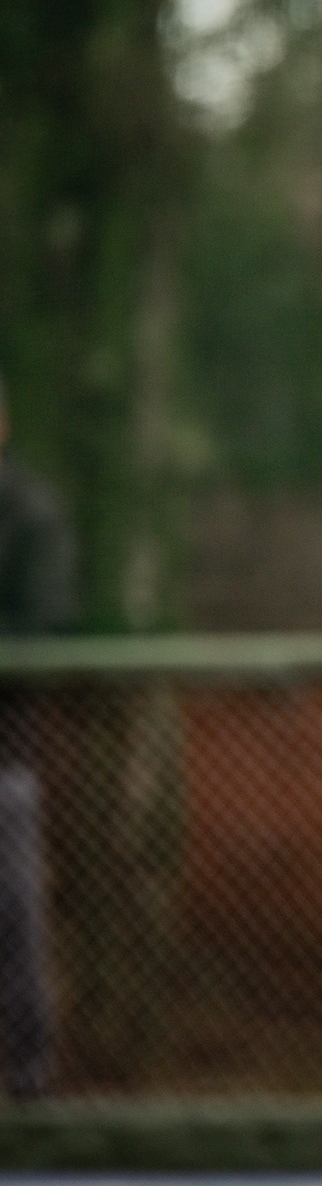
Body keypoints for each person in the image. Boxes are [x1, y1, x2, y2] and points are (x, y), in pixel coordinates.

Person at [0, 371, 71, 1100]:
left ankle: (29, 1087)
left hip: (4, 763)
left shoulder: (28, 514)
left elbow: (45, 620)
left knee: (16, 926)